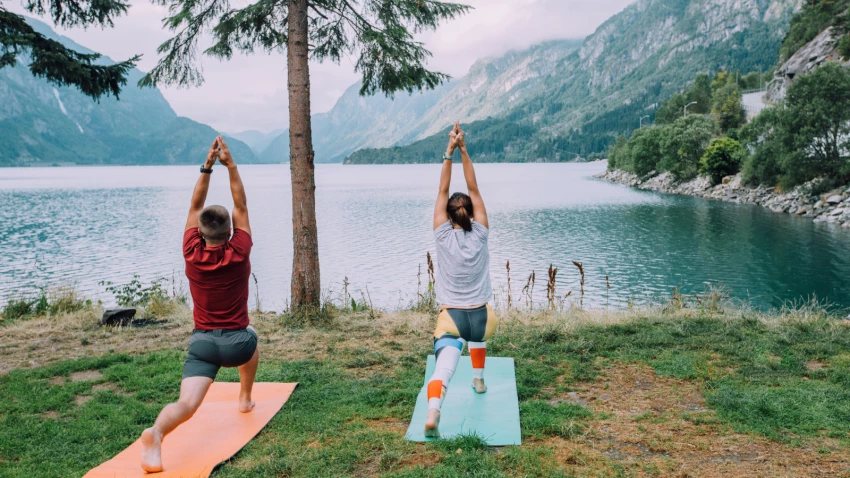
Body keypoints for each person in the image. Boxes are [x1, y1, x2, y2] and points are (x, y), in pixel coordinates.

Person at [140, 136, 259, 473]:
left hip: (203, 343)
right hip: (238, 342)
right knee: (252, 335)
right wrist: (230, 165)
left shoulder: (192, 252)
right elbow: (242, 207)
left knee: (186, 404)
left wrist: (207, 166)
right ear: (229, 231)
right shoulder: (239, 253)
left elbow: (195, 207)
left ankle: (157, 432)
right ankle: (245, 397)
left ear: (201, 231)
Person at [424, 122, 498, 438]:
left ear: (448, 214)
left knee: (444, 369)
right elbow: (475, 188)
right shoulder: (480, 232)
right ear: (469, 212)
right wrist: (465, 149)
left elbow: (443, 190)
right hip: (483, 318)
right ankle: (479, 379)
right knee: (478, 335)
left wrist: (449, 151)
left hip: (452, 318)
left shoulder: (442, 235)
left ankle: (433, 413)